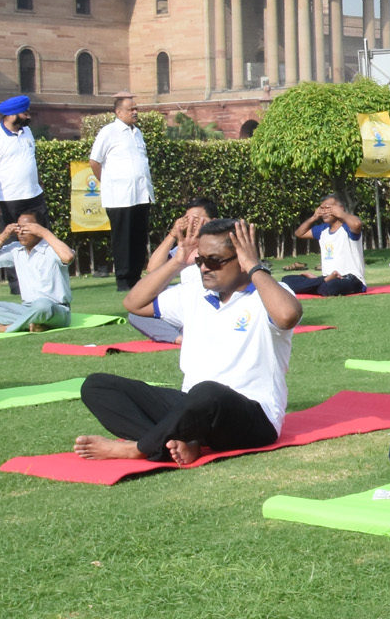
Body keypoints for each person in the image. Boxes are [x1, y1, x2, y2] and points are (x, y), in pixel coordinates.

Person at [79, 219, 301, 464]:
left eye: (214, 261)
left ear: (240, 260)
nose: (204, 268)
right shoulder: (195, 293)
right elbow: (134, 304)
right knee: (96, 386)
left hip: (252, 415)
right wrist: (177, 261)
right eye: (200, 260)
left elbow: (287, 315)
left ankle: (138, 448)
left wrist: (255, 267)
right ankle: (181, 443)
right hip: (192, 408)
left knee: (207, 391)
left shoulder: (267, 294)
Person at [127, 198, 217, 344]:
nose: (193, 225)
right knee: (137, 311)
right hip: (185, 302)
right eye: (188, 220)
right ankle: (180, 339)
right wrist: (173, 235)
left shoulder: (224, 245)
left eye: (198, 220)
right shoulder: (184, 248)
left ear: (213, 221)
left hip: (212, 299)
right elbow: (153, 269)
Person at [88, 93, 154, 290]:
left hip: (141, 194)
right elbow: (94, 161)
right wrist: (107, 181)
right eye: (130, 109)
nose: (134, 112)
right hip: (120, 197)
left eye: (135, 109)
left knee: (139, 238)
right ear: (118, 112)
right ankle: (124, 280)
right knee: (123, 239)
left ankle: (136, 276)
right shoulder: (108, 132)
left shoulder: (137, 132)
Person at [0, 212, 75, 332]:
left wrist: (45, 232)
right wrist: (2, 237)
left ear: (38, 228)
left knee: (42, 305)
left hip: (55, 309)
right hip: (27, 308)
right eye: (19, 228)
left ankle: (7, 328)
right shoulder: (15, 249)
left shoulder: (51, 248)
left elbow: (68, 257)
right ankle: (35, 324)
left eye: (27, 229)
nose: (20, 232)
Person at [282, 194, 368, 296]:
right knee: (287, 280)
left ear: (340, 208)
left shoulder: (348, 228)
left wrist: (342, 214)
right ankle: (321, 280)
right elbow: (299, 233)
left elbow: (357, 224)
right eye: (321, 208)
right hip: (327, 278)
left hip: (350, 279)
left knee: (330, 287)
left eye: (328, 208)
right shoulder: (323, 229)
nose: (324, 212)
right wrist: (314, 217)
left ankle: (316, 283)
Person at [0, 95, 45, 223]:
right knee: (13, 239)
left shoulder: (27, 131)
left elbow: (30, 160)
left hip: (34, 196)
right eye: (25, 113)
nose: (28, 117)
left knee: (42, 237)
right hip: (9, 199)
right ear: (12, 115)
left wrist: (38, 182)